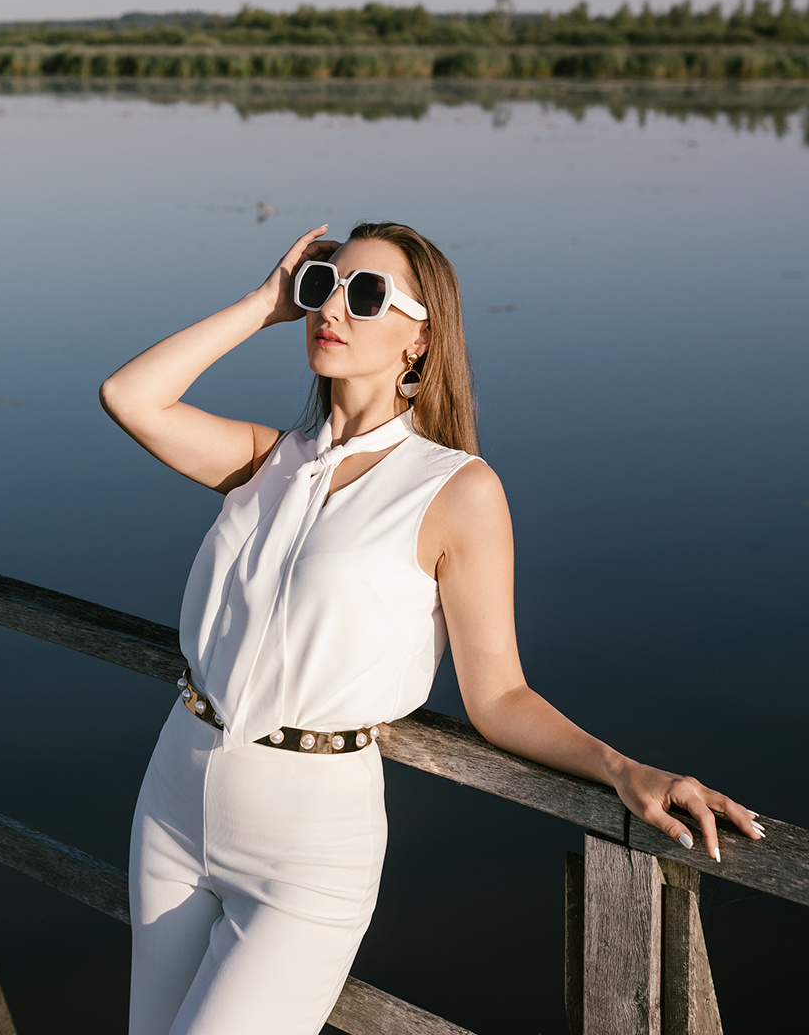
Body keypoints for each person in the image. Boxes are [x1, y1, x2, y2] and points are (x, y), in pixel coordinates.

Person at [100, 220, 762, 1035]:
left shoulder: (456, 489)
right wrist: (262, 302)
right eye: (323, 286)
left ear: (421, 339)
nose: (332, 307)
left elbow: (500, 695)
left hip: (307, 840)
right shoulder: (267, 461)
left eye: (366, 294)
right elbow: (129, 397)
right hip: (174, 790)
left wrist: (623, 768)